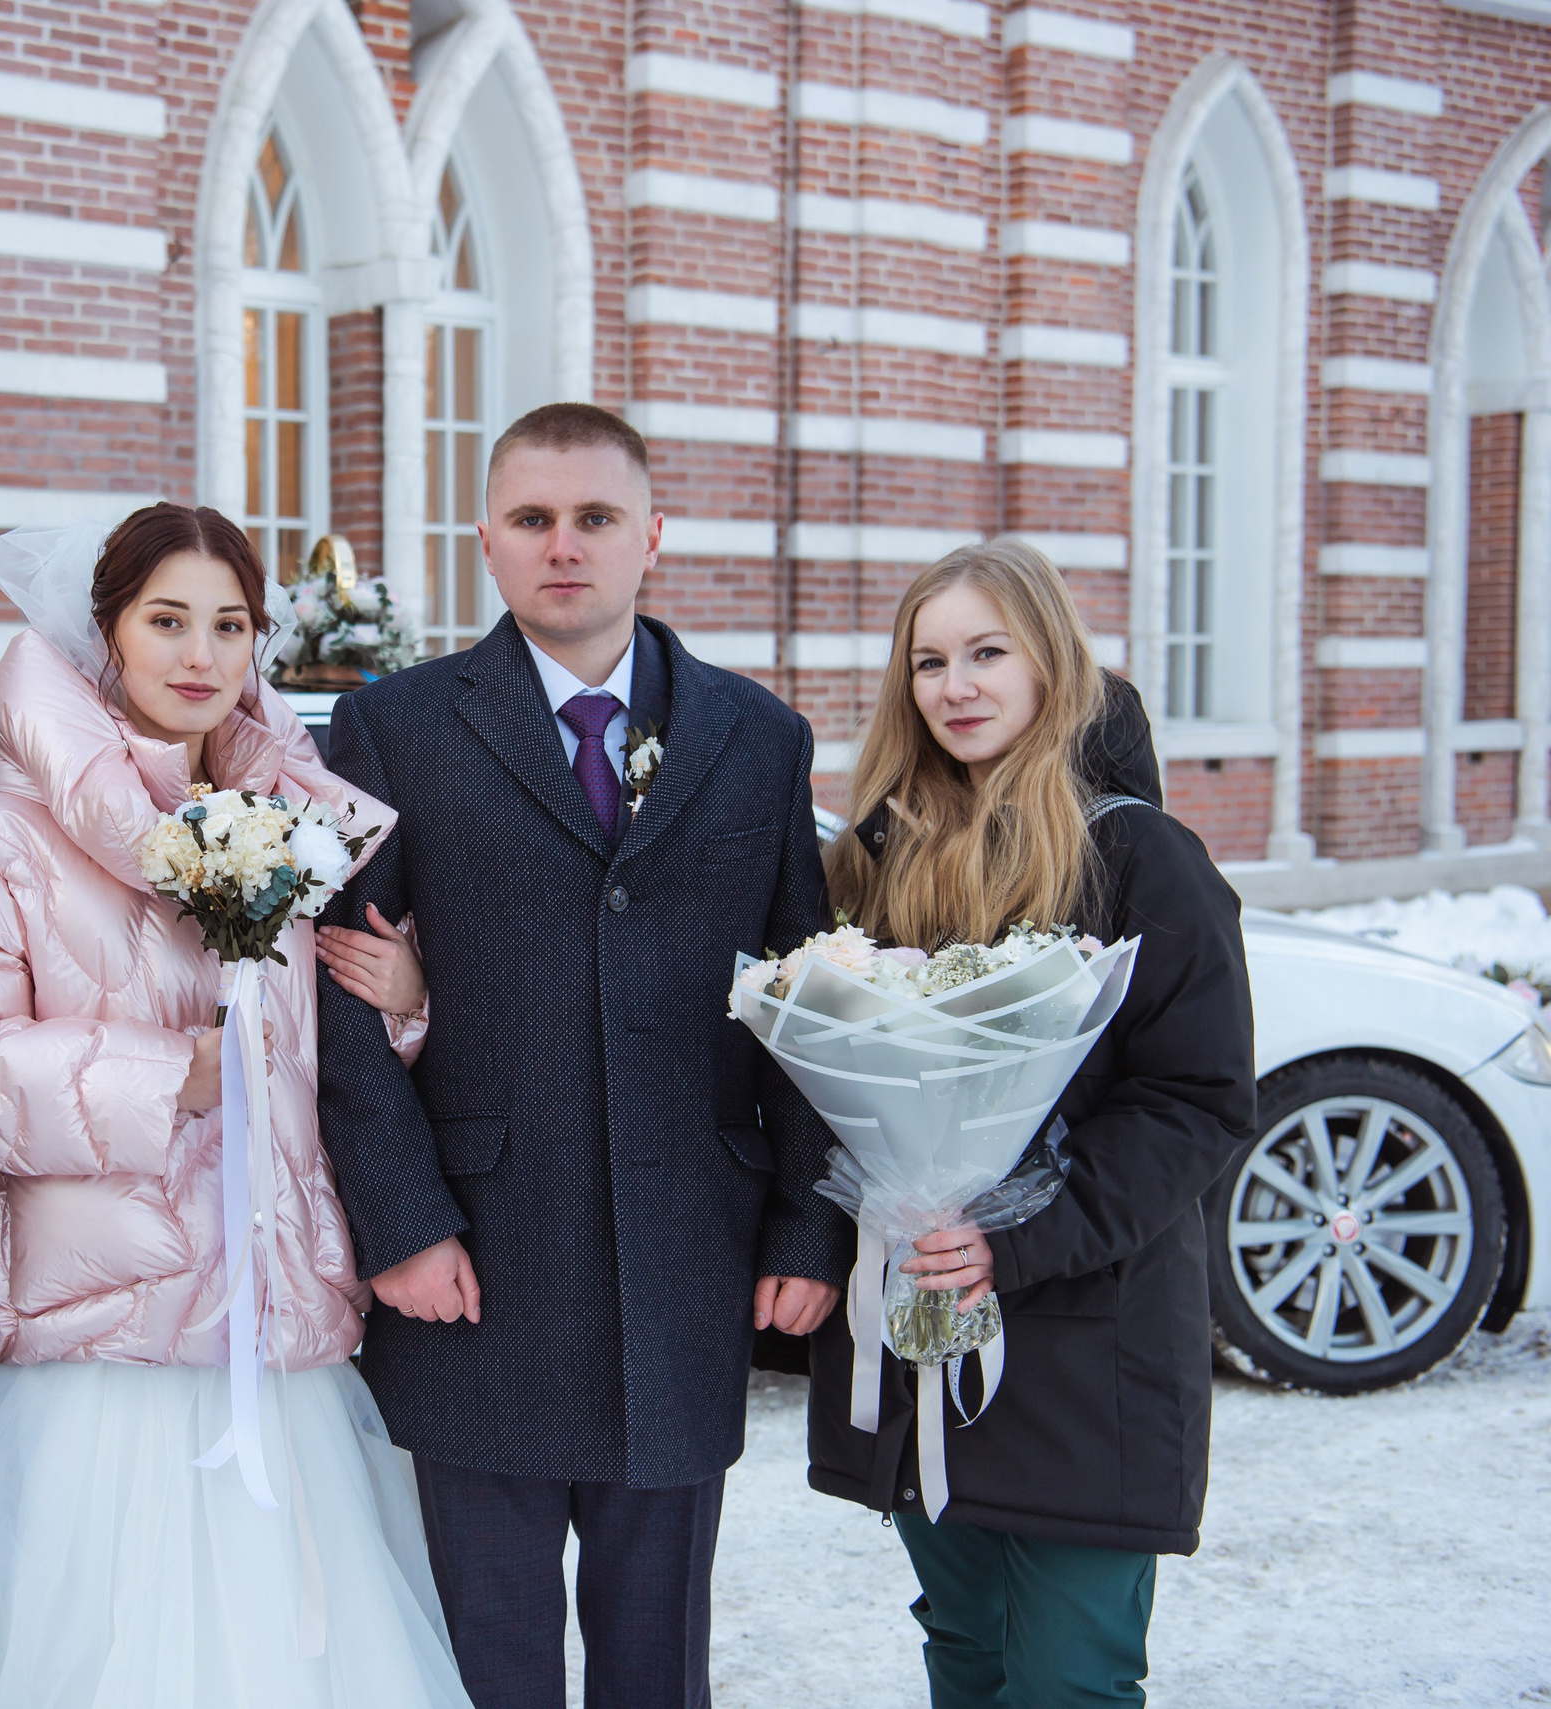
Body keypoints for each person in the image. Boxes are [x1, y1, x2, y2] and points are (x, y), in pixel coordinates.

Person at [0, 503, 471, 1708]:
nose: (200, 654)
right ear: (105, 635)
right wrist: (168, 1078)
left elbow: (329, 1062)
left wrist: (405, 1001)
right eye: (166, 621)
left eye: (229, 623)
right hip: (100, 1353)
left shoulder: (290, 828)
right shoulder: (10, 832)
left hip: (271, 1328)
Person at [312, 402, 852, 1709]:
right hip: (475, 1271)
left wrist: (804, 1230)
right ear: (487, 541)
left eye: (597, 518)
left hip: (686, 1270)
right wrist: (400, 1224)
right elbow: (340, 1004)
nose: (567, 545)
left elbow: (809, 1010)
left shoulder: (756, 739)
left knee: (657, 1664)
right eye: (537, 520)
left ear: (651, 536)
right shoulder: (393, 728)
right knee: (490, 1661)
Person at [805, 538, 1257, 1708]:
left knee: (1069, 1677)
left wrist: (1017, 1237)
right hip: (921, 1323)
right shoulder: (875, 858)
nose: (954, 684)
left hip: (1083, 1343)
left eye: (986, 652)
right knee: (963, 1646)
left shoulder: (1139, 856)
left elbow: (1196, 1097)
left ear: (1050, 660)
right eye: (929, 659)